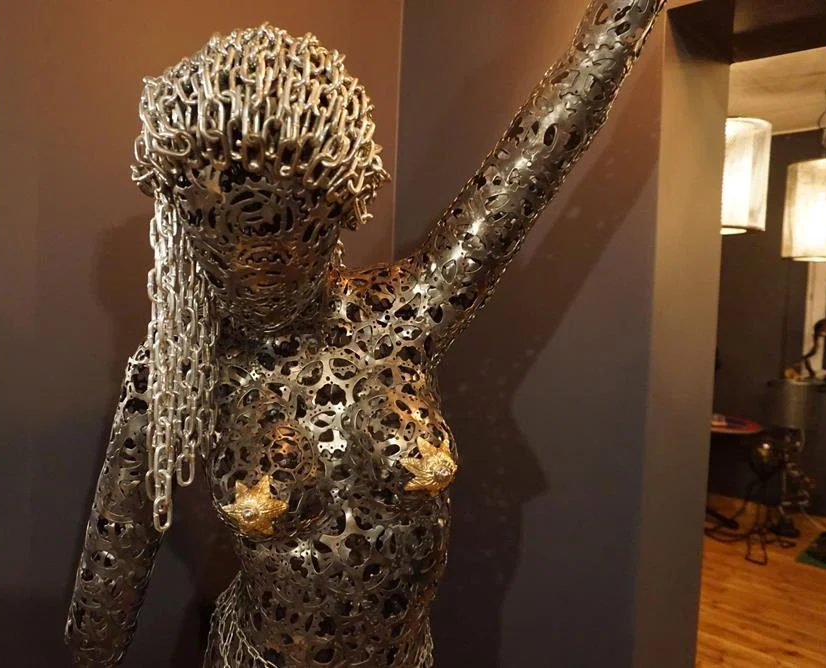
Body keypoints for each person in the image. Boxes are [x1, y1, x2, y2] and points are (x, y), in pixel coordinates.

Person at [67, 1, 666, 665]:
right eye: (226, 233)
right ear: (188, 226)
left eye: (292, 227)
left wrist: (623, 16)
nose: (260, 260)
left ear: (338, 206)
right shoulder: (182, 370)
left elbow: (533, 164)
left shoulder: (402, 316)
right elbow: (111, 569)